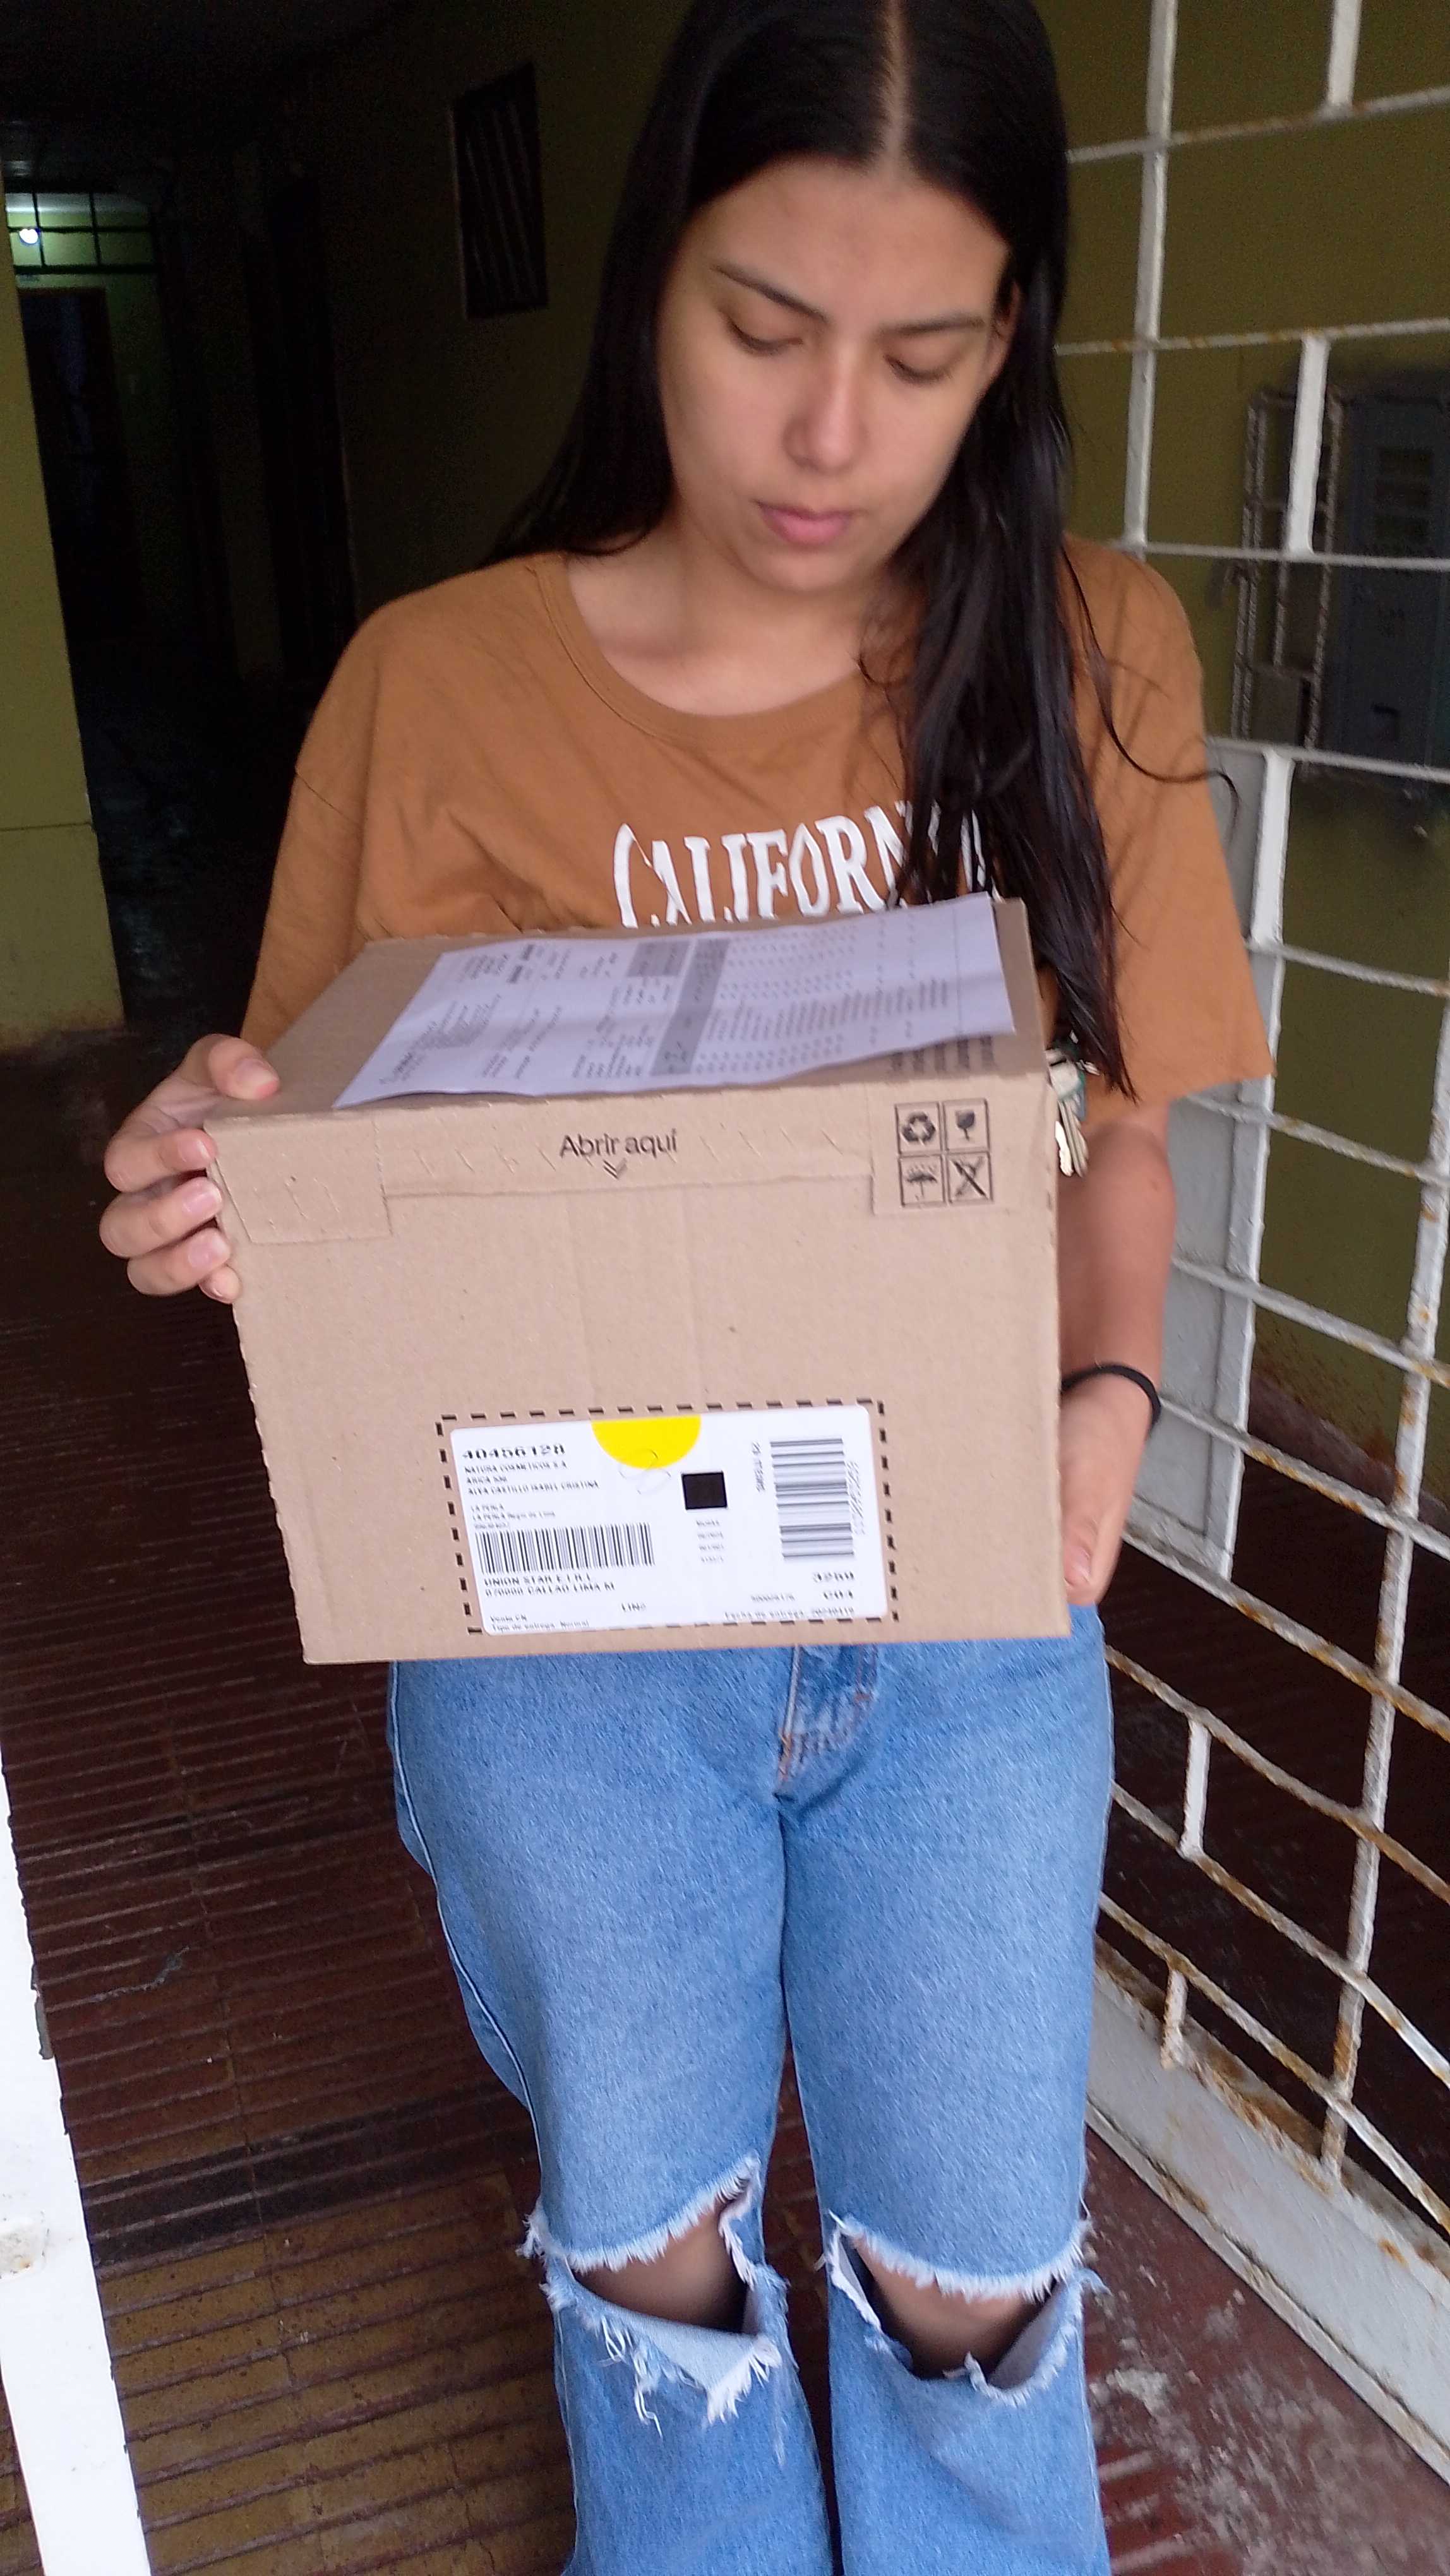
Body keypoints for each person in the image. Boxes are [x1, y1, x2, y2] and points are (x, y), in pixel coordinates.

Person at [99, 1, 1272, 2566]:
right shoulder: (438, 683)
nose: (827, 436)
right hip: (568, 1630)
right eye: (763, 327)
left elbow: (1122, 1130)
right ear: (654, 281)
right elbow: (324, 1165)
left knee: (974, 2285)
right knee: (657, 2268)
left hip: (963, 1604)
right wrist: (216, 1189)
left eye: (921, 355)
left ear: (1011, 343)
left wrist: (1100, 1404)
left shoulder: (1090, 655)